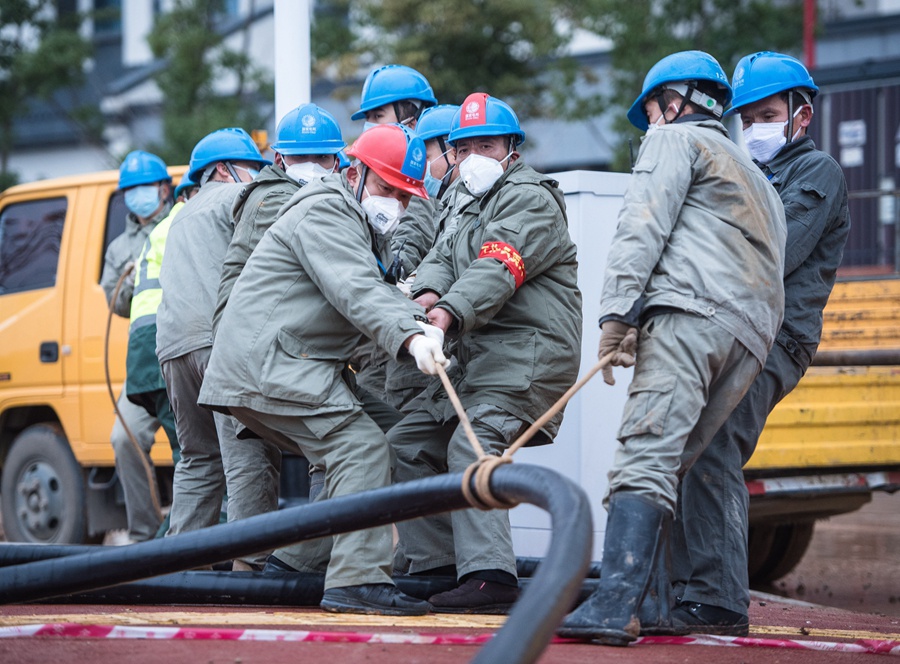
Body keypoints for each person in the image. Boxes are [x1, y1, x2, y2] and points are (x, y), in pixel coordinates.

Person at [557, 50, 787, 645]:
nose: (651, 120)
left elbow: (642, 224)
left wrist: (615, 315)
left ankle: (611, 607)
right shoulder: (759, 179)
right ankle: (652, 603)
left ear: (676, 101)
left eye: (653, 108)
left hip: (691, 320)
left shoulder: (673, 141)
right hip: (749, 338)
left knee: (645, 454)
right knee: (674, 463)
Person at [198, 123, 447, 616]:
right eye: (386, 188)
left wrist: (412, 318)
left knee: (391, 437)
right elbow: (356, 290)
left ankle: (298, 562)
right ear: (353, 172)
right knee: (360, 447)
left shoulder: (355, 223)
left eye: (404, 195)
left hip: (286, 363)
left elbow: (356, 301)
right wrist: (411, 332)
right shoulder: (328, 209)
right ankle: (357, 581)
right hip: (272, 365)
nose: (394, 204)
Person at [667, 51, 851, 635]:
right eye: (747, 117)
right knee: (676, 448)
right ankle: (678, 589)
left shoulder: (816, 172)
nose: (756, 127)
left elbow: (777, 252)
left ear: (801, 114)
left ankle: (719, 599)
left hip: (776, 337)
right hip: (726, 327)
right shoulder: (745, 174)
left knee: (716, 442)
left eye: (769, 113)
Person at [388, 92, 583, 613]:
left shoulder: (530, 198)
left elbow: (498, 267)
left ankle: (489, 576)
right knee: (407, 443)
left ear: (511, 149)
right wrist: (422, 300)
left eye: (486, 144)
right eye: (465, 145)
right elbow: (439, 261)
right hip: (480, 361)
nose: (474, 154)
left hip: (526, 357)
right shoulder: (465, 203)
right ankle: (435, 567)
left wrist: (446, 313)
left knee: (471, 446)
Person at [211, 103, 345, 569]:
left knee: (251, 467)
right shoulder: (278, 202)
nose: (313, 168)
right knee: (341, 443)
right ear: (281, 161)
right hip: (264, 350)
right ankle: (284, 567)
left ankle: (270, 567)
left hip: (255, 346)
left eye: (322, 158)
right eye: (303, 158)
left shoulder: (266, 195)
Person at [156, 128, 271, 540]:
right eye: (252, 169)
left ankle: (178, 567)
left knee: (197, 459)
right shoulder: (236, 197)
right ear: (223, 170)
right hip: (218, 346)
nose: (259, 177)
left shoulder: (178, 217)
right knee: (248, 452)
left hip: (173, 350)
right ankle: (250, 568)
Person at [350, 64, 440, 401]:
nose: (370, 125)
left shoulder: (430, 180)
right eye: (368, 116)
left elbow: (415, 233)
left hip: (413, 332)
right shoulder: (362, 175)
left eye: (378, 114)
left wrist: (398, 270)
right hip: (377, 337)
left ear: (411, 116)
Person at [101, 150, 173, 544]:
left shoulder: (182, 221)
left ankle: (197, 532)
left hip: (186, 353)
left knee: (196, 445)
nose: (138, 195)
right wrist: (131, 284)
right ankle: (146, 538)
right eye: (130, 190)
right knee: (123, 437)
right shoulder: (118, 249)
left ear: (164, 188)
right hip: (144, 362)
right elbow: (113, 301)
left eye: (144, 187)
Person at [383, 103, 460, 412]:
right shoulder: (431, 197)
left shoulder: (467, 203)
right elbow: (408, 242)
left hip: (434, 351)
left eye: (428, 158)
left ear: (451, 152)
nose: (423, 168)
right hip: (419, 350)